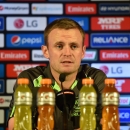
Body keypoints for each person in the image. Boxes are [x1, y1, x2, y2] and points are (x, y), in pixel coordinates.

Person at [7, 18, 107, 130]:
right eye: (59, 46)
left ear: (82, 51)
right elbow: (15, 126)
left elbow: (107, 124)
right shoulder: (29, 79)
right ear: (46, 51)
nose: (67, 53)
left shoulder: (95, 78)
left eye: (74, 46)